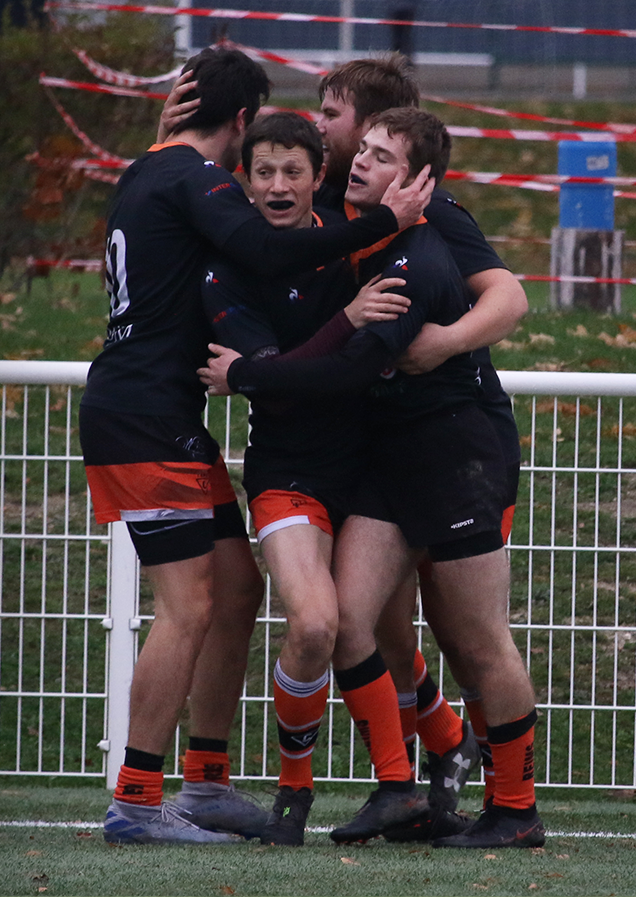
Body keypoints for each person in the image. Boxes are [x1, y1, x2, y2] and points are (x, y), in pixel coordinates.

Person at [163, 52, 527, 835]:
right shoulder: (314, 205)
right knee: (350, 623)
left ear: (390, 147)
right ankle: (413, 771)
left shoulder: (426, 220)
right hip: (362, 458)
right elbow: (215, 182)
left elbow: (509, 294)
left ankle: (508, 802)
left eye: (338, 120)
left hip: (453, 448)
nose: (329, 135)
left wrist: (442, 341)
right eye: (345, 141)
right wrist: (171, 142)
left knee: (467, 635)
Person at [81, 46, 432, 845]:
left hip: (163, 417)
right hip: (143, 418)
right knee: (188, 607)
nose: (273, 182)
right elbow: (270, 250)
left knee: (237, 589)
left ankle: (206, 783)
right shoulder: (196, 179)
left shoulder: (149, 167)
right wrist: (386, 222)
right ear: (241, 123)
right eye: (260, 163)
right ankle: (136, 801)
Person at [200, 112, 412, 845]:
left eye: (293, 170)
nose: (278, 185)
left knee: (385, 633)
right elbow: (275, 385)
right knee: (316, 626)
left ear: (319, 175)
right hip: (287, 471)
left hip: (372, 472)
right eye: (264, 171)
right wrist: (348, 322)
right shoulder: (227, 267)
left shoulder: (353, 241)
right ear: (245, 179)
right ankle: (295, 793)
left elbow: (285, 372)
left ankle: (414, 780)